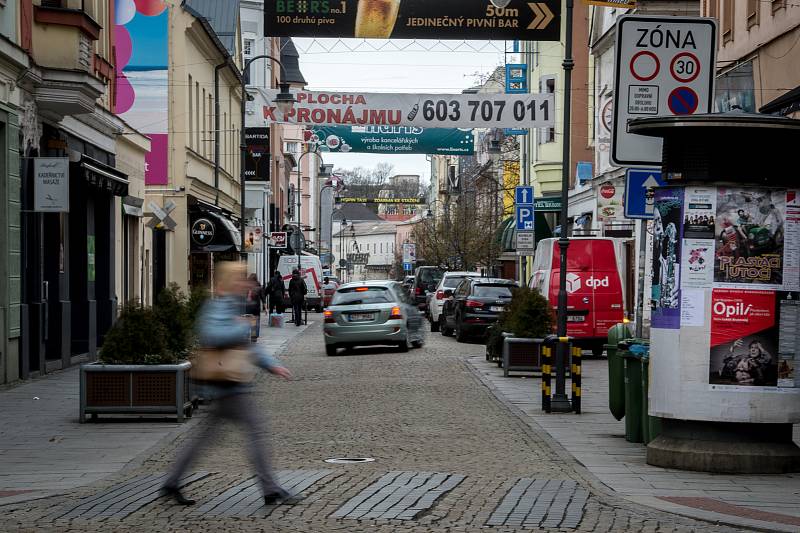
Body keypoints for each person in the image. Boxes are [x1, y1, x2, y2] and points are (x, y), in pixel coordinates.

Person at [162, 261, 296, 507]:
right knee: (256, 431)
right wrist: (239, 327)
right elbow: (211, 334)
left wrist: (271, 364)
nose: (243, 283)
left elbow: (246, 347)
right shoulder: (220, 305)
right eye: (239, 278)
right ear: (228, 281)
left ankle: (172, 482)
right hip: (228, 384)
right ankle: (270, 489)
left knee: (203, 438)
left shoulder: (233, 304)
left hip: (226, 383)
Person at [246, 273, 266, 341]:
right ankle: (254, 336)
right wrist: (265, 308)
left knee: (248, 321)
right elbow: (263, 298)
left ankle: (247, 334)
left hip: (248, 307)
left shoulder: (247, 287)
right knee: (255, 322)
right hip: (256, 308)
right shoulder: (259, 287)